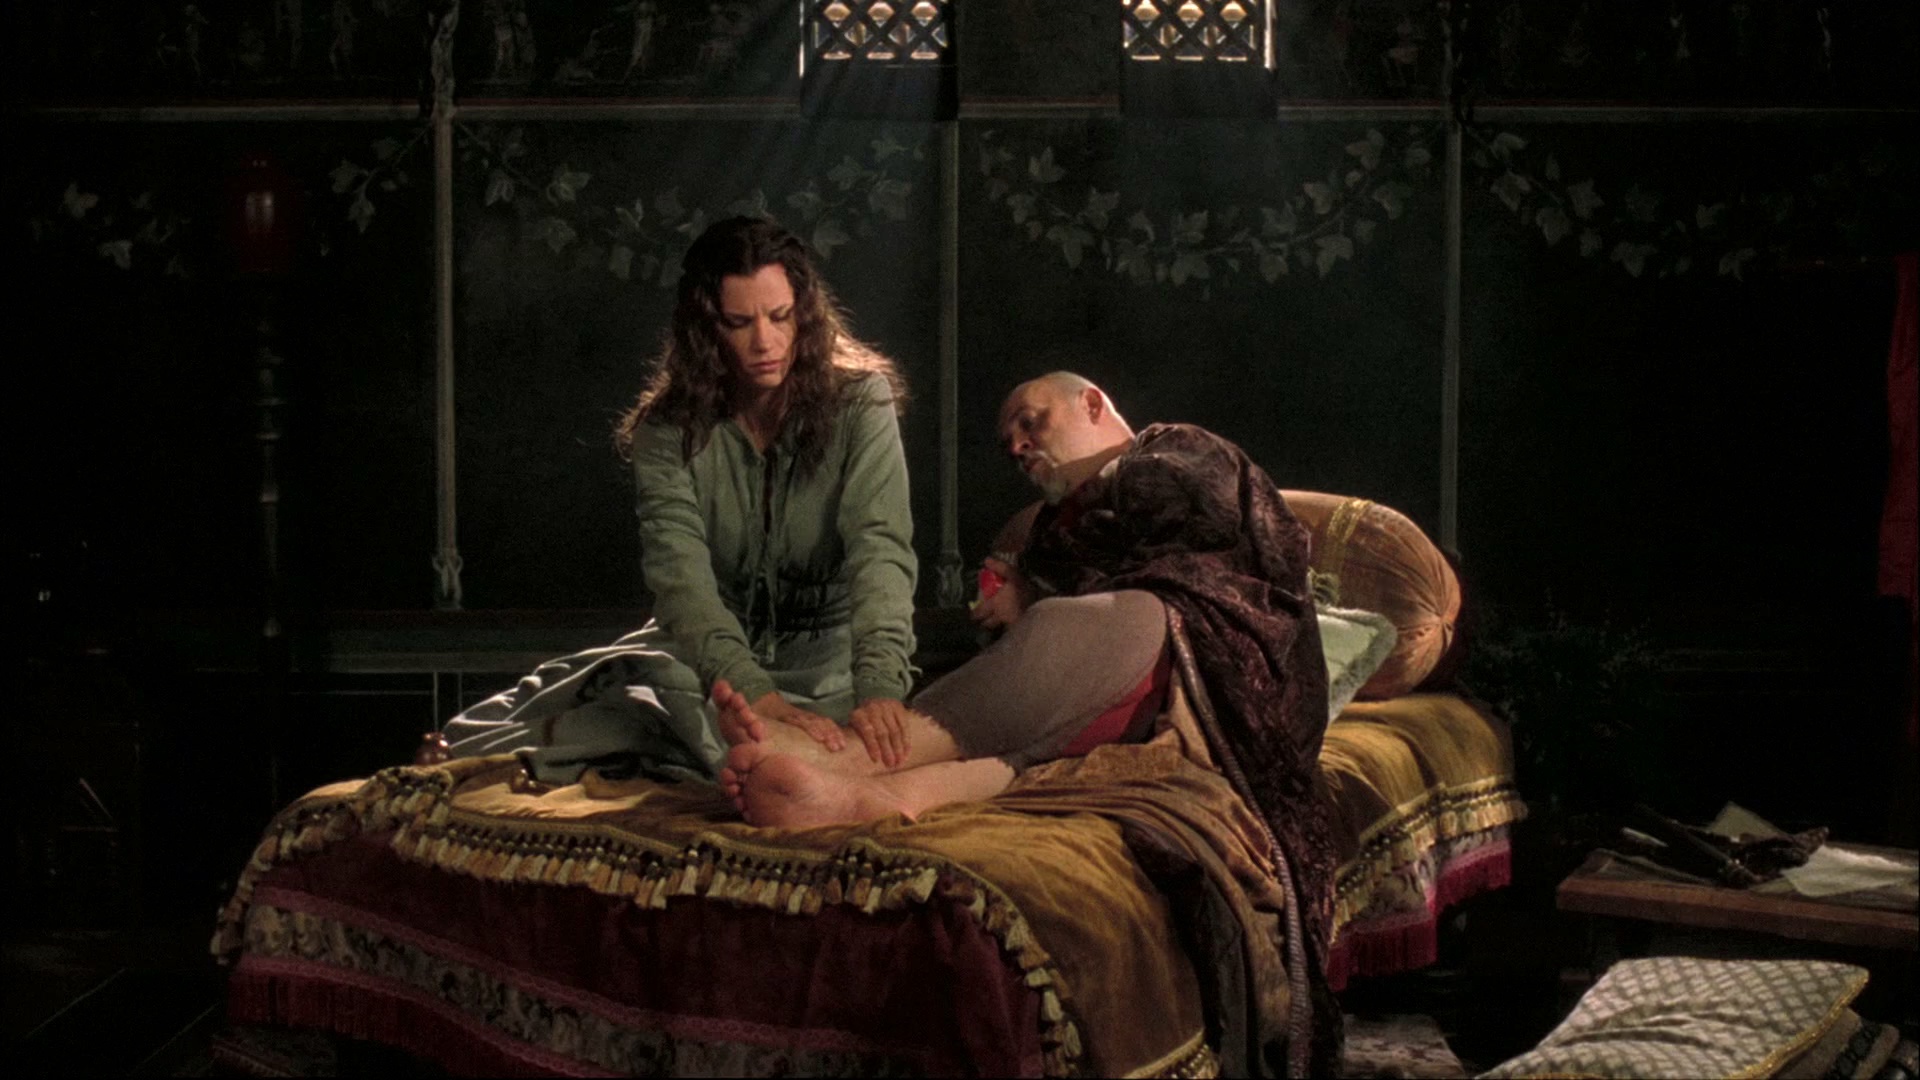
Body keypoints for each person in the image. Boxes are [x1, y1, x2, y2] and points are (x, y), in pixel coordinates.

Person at [721, 368, 1343, 1074]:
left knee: (1098, 621)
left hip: (1224, 681)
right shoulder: (1057, 528)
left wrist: (1038, 593)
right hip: (1122, 713)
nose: (1017, 445)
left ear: (1093, 403)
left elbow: (1196, 540)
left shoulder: (1178, 453)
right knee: (1045, 747)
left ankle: (855, 756)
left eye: (1031, 421)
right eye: (1007, 440)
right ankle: (880, 797)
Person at [437, 216, 918, 784]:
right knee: (605, 714)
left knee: (784, 763)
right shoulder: (668, 430)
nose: (764, 342)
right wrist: (752, 692)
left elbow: (880, 548)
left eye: (780, 316)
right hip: (709, 662)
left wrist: (880, 687)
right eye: (739, 322)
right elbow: (682, 583)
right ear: (706, 329)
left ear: (805, 314)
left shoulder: (860, 405)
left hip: (829, 668)